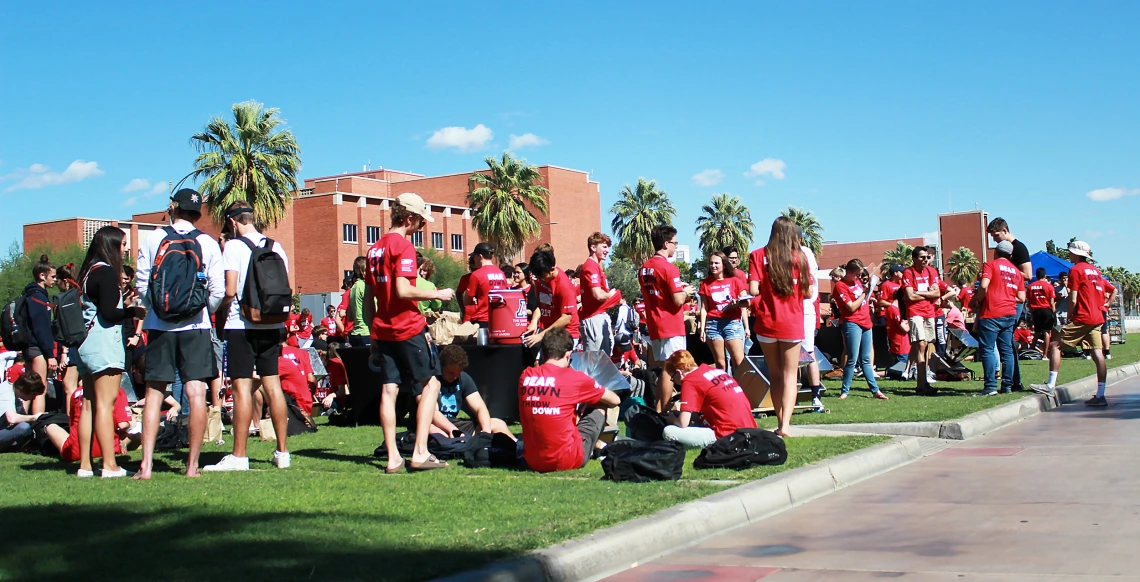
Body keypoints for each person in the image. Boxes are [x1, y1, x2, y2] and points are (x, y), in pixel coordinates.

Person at [134, 189, 224, 479]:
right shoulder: (208, 243)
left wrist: (159, 309)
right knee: (196, 392)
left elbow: (141, 285)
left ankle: (146, 466)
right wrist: (196, 310)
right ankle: (192, 466)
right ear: (197, 213)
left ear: (174, 208)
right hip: (196, 327)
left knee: (154, 393)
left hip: (159, 325)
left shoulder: (153, 238)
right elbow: (218, 291)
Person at [365, 193, 456, 473]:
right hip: (407, 327)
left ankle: (393, 456)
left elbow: (370, 299)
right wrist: (437, 293)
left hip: (383, 329)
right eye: (419, 222)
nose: (421, 228)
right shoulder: (402, 246)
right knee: (432, 384)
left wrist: (373, 334)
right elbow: (403, 290)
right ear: (409, 218)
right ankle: (420, 452)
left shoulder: (374, 249)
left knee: (389, 390)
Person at [203, 200, 294, 472]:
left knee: (241, 388)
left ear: (232, 222)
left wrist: (218, 315)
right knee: (273, 385)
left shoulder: (232, 246)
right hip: (272, 323)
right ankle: (282, 451)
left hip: (241, 324)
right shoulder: (276, 246)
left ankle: (239, 456)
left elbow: (230, 291)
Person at [74, 226, 146, 478]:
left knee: (88, 405)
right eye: (123, 244)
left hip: (85, 345)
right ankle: (109, 465)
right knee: (106, 405)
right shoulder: (105, 272)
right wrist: (133, 312)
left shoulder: (87, 273)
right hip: (104, 344)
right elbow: (109, 314)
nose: (125, 249)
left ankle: (85, 465)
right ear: (112, 245)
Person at [518, 328, 620, 472]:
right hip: (567, 459)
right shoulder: (574, 378)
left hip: (533, 460)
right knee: (601, 404)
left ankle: (596, 444)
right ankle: (599, 444)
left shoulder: (525, 376)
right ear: (567, 355)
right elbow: (615, 400)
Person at [749, 217, 813, 437]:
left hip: (766, 321)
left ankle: (779, 421)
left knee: (775, 375)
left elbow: (754, 290)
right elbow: (809, 293)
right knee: (789, 376)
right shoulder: (800, 257)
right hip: (792, 322)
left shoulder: (757, 255)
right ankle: (786, 425)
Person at [1031, 240, 1113, 402]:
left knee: (1055, 345)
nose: (1069, 254)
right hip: (1097, 317)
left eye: (1070, 252)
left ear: (1076, 254)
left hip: (1083, 316)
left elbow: (1073, 298)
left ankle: (1050, 385)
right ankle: (1100, 394)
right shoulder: (1095, 271)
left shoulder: (1075, 270)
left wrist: (1070, 316)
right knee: (1098, 353)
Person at [639, 225, 695, 412]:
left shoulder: (644, 268)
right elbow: (678, 299)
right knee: (671, 369)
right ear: (665, 243)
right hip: (671, 324)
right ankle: (663, 409)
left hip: (655, 324)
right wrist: (686, 292)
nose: (676, 247)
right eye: (674, 243)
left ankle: (658, 407)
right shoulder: (669, 268)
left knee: (664, 367)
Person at [662, 350, 755, 447]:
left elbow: (683, 423)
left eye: (673, 378)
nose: (675, 382)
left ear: (679, 372)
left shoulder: (689, 381)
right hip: (749, 428)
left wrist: (673, 420)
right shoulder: (712, 370)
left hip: (726, 434)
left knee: (668, 431)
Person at [972, 240, 1026, 396]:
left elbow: (983, 286)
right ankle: (1007, 386)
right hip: (1009, 313)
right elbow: (1021, 297)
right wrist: (1007, 297)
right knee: (1007, 351)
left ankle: (990, 387)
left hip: (991, 312)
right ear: (1010, 255)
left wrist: (980, 299)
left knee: (988, 349)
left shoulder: (990, 265)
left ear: (996, 252)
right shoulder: (1016, 271)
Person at [425, 345, 514, 439]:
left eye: (457, 373)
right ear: (441, 367)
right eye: (451, 373)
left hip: (455, 424)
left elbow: (480, 408)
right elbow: (433, 413)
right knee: (432, 430)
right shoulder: (431, 379)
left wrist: (486, 431)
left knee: (498, 423)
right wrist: (453, 431)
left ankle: (516, 447)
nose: (455, 377)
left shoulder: (463, 378)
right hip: (434, 424)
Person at [833, 259, 888, 400]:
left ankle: (875, 390)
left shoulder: (857, 283)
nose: (859, 277)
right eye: (857, 274)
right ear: (850, 272)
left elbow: (861, 301)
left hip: (865, 322)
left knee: (866, 359)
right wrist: (865, 293)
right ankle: (845, 390)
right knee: (852, 358)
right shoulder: (840, 286)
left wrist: (866, 293)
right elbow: (850, 306)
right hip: (852, 322)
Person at [901, 246, 942, 396]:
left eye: (927, 257)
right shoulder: (908, 272)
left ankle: (922, 383)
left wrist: (920, 292)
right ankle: (922, 383)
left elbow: (937, 292)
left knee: (926, 345)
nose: (925, 260)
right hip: (915, 312)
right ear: (914, 259)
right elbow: (910, 296)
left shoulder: (932, 271)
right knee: (920, 345)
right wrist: (928, 294)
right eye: (922, 257)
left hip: (929, 312)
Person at [698, 252, 748, 371]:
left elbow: (746, 301)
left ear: (724, 265)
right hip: (713, 324)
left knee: (739, 362)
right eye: (711, 263)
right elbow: (704, 308)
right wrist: (702, 328)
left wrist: (736, 304)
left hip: (732, 322)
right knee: (721, 364)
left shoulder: (735, 281)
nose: (713, 266)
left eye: (716, 263)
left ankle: (740, 388)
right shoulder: (705, 283)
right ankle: (724, 389)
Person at [21, 254, 56, 414]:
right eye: (52, 277)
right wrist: (50, 354)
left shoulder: (28, 294)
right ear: (42, 276)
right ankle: (38, 426)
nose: (55, 280)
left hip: (28, 346)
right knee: (40, 389)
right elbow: (41, 327)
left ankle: (19, 425)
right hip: (37, 347)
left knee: (28, 388)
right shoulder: (38, 297)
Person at [524, 250, 580, 349]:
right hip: (547, 331)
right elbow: (539, 304)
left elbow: (566, 318)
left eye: (542, 276)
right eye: (536, 276)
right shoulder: (539, 278)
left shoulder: (565, 287)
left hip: (565, 334)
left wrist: (541, 335)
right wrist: (534, 322)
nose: (539, 279)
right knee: (537, 362)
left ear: (552, 269)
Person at [579, 232, 622, 355]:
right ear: (593, 247)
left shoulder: (596, 266)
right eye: (604, 246)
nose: (607, 250)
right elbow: (598, 294)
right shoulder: (590, 266)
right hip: (594, 318)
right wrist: (612, 295)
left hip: (599, 316)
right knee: (595, 360)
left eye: (608, 247)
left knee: (603, 360)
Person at [463, 243, 508, 328]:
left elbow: (466, 301)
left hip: (481, 320)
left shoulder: (476, 275)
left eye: (474, 257)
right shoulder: (501, 273)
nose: (474, 260)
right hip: (499, 318)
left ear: (480, 256)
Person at [1, 371, 44, 453]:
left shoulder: (15, 395)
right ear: (22, 389)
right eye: (33, 394)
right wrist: (34, 417)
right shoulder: (6, 393)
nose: (33, 398)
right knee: (23, 427)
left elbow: (23, 416)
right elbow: (12, 419)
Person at [1027, 268, 1057, 355]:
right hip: (1046, 310)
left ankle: (1031, 350)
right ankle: (1045, 354)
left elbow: (1029, 301)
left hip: (1035, 310)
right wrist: (1054, 313)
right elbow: (1051, 302)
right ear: (1045, 276)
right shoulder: (1049, 286)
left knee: (1037, 332)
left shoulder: (1031, 286)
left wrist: (1032, 312)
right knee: (1047, 332)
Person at [345, 257, 371, 347]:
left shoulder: (353, 287)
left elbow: (350, 317)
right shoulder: (365, 286)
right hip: (366, 332)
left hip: (356, 333)